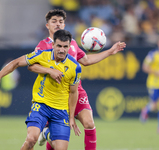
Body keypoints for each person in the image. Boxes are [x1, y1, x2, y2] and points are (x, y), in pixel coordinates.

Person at [28, 9, 126, 150]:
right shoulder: (43, 45)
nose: (58, 24)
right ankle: (48, 134)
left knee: (89, 123)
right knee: (57, 142)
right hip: (55, 96)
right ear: (47, 25)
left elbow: (85, 60)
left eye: (61, 21)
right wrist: (50, 70)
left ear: (65, 24)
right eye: (54, 21)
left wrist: (110, 51)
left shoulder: (71, 43)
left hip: (75, 90)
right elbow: (32, 66)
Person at [0, 29, 82, 150]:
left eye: (65, 47)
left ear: (69, 46)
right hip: (41, 106)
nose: (62, 50)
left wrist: (71, 117)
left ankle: (46, 133)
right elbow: (16, 62)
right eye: (59, 46)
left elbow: (73, 92)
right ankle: (43, 133)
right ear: (53, 45)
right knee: (31, 139)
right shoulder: (42, 55)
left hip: (61, 110)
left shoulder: (75, 67)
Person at [139, 38, 159, 133]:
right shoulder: (153, 54)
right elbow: (145, 67)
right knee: (154, 105)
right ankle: (146, 110)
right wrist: (156, 72)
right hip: (154, 83)